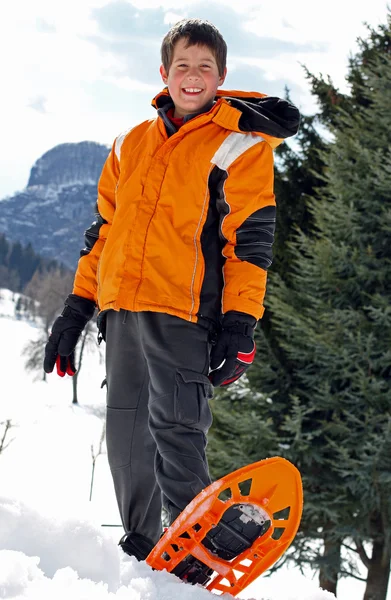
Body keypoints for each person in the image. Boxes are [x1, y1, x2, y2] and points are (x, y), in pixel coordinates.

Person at [44, 18, 300, 564]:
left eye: (205, 67)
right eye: (182, 65)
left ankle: (197, 552)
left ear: (221, 76)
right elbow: (103, 235)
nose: (193, 76)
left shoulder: (240, 146)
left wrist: (239, 321)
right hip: (121, 311)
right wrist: (75, 310)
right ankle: (144, 546)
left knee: (177, 427)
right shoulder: (129, 144)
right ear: (164, 73)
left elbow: (249, 244)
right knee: (126, 432)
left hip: (183, 311)